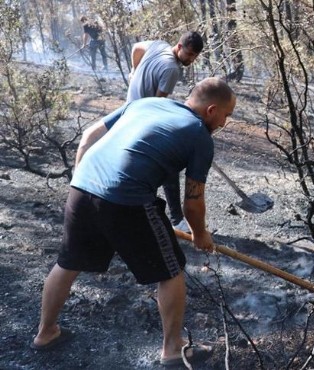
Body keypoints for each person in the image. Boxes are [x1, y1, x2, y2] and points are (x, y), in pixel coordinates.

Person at [31, 77, 236, 367]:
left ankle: (45, 333)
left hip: (82, 187)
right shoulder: (199, 135)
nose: (224, 124)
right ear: (212, 110)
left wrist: (82, 179)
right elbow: (193, 201)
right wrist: (200, 234)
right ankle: (173, 349)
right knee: (171, 270)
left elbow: (90, 135)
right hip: (126, 198)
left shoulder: (148, 102)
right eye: (226, 116)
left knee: (68, 262)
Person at [126, 31, 204, 233]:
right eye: (188, 54)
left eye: (194, 56)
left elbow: (136, 48)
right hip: (141, 119)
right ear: (179, 47)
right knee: (169, 165)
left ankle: (170, 217)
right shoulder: (172, 70)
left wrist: (134, 72)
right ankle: (176, 219)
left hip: (130, 109)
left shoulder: (158, 45)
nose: (191, 59)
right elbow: (158, 105)